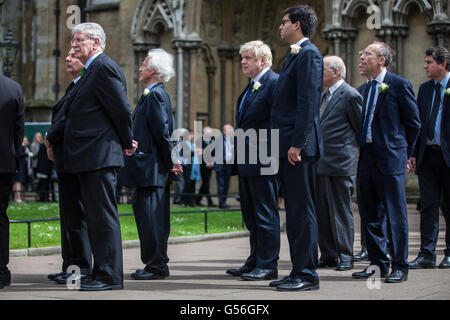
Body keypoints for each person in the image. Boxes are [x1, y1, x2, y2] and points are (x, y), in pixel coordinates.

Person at [63, 22, 137, 291]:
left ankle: (109, 276)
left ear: (95, 42)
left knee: (103, 217)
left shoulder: (104, 67)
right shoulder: (91, 70)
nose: (73, 45)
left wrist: (126, 141)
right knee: (95, 218)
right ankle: (100, 271)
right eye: (73, 40)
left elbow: (120, 109)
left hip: (99, 156)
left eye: (79, 39)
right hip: (89, 156)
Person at [351, 42, 420, 283]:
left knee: (395, 214)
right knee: (369, 214)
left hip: (390, 159)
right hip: (367, 159)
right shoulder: (363, 90)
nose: (361, 58)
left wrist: (404, 153)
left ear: (382, 60)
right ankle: (378, 263)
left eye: (367, 54)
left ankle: (400, 265)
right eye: (361, 54)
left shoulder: (399, 85)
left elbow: (414, 124)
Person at [269, 5, 323, 292]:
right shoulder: (293, 56)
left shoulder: (310, 55)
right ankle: (296, 270)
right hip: (287, 145)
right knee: (294, 211)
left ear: (298, 25)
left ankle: (307, 275)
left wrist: (297, 144)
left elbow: (308, 102)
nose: (280, 26)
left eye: (284, 21)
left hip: (298, 147)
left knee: (302, 211)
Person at [119, 48, 182, 281]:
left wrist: (172, 162)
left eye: (144, 65)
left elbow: (162, 133)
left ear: (154, 70)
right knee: (150, 218)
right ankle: (155, 263)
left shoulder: (155, 95)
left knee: (151, 219)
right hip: (150, 169)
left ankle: (156, 265)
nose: (139, 68)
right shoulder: (153, 93)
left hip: (151, 170)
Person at [225, 40, 280, 281]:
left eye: (248, 57)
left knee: (265, 214)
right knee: (251, 214)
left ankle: (268, 264)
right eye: (242, 58)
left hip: (264, 159)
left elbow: (277, 122)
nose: (243, 62)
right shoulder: (251, 86)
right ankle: (255, 259)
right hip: (247, 160)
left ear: (263, 60)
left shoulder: (274, 83)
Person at [44, 48, 92, 284]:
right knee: (68, 218)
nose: (67, 58)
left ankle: (80, 269)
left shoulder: (83, 86)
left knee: (76, 217)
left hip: (75, 160)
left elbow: (66, 119)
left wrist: (49, 137)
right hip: (66, 161)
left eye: (73, 56)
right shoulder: (73, 86)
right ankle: (69, 266)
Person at [315, 56, 362, 271]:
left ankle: (346, 254)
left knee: (340, 211)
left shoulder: (350, 95)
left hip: (341, 164)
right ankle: (328, 254)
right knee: (322, 211)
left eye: (322, 68)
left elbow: (360, 130)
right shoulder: (321, 95)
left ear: (335, 72)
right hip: (320, 164)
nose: (318, 72)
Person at [408, 46, 450, 269]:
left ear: (443, 64)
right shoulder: (424, 89)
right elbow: (418, 125)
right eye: (424, 62)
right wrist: (414, 153)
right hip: (428, 157)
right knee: (428, 206)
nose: (425, 66)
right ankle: (426, 254)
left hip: (448, 157)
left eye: (429, 62)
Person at [0, 73, 25, 289]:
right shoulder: (14, 88)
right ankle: (1, 270)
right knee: (0, 215)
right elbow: (19, 130)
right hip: (4, 163)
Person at [214, 124, 234, 209]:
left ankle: (224, 201)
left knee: (226, 184)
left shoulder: (234, 140)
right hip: (220, 164)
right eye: (226, 130)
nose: (227, 132)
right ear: (223, 131)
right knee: (221, 184)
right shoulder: (218, 139)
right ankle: (221, 203)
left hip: (229, 165)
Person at [195, 126, 215, 207]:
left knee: (205, 183)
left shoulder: (212, 139)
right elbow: (198, 151)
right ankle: (209, 201)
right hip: (202, 165)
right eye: (208, 133)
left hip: (210, 164)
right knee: (206, 183)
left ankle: (198, 200)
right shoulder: (200, 140)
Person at [13, 137, 30, 203]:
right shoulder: (20, 147)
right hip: (19, 168)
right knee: (17, 183)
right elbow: (19, 155)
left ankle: (17, 197)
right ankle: (17, 198)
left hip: (19, 168)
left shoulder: (21, 147)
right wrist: (26, 154)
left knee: (17, 183)